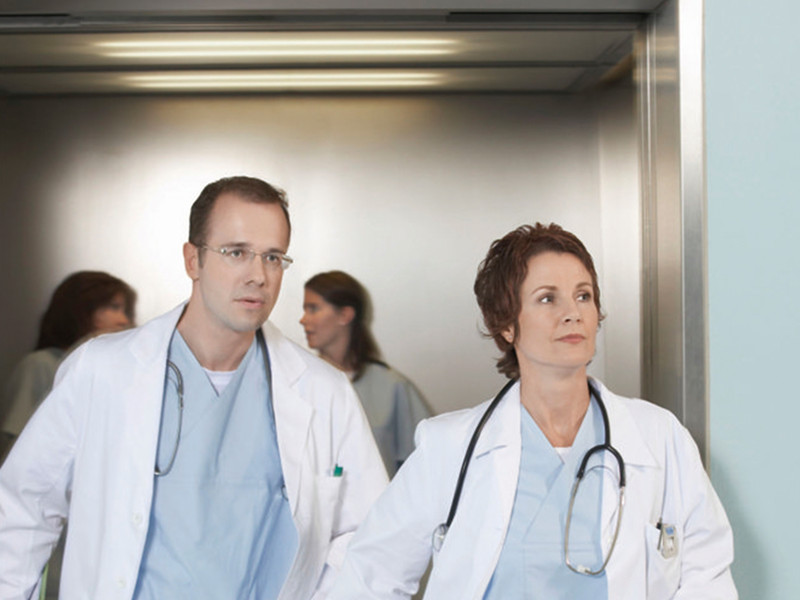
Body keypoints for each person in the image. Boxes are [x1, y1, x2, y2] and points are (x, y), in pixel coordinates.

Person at [0, 176, 388, 600]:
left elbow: (372, 538)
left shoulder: (323, 392)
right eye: (236, 252)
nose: (258, 276)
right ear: (193, 260)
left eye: (273, 257)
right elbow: (23, 508)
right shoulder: (102, 371)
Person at [329, 223, 737, 599]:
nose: (572, 312)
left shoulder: (657, 437)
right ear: (506, 324)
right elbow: (370, 576)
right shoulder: (450, 447)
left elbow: (708, 572)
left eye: (584, 295)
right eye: (547, 298)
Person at [301, 271, 431, 477]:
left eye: (313, 309)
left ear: (345, 315)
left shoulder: (392, 387)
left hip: (376, 507)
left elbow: (426, 465)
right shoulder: (295, 383)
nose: (303, 319)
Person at [1, 270, 136, 461]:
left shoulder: (111, 372)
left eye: (126, 311)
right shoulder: (40, 365)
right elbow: (17, 447)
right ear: (81, 310)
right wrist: (88, 344)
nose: (124, 321)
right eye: (114, 307)